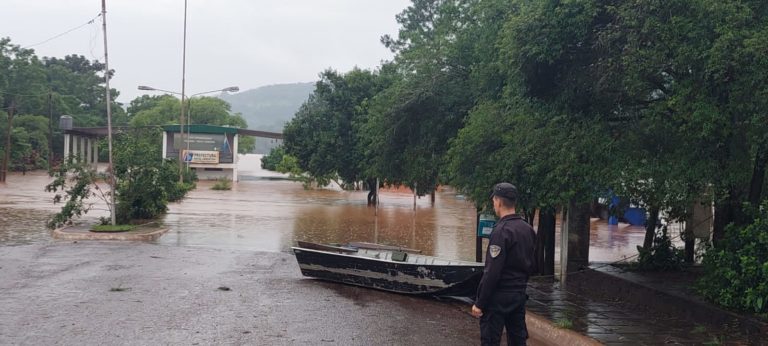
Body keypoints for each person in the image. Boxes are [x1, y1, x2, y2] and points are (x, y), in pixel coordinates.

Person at [471, 182, 536, 345]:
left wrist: (480, 303)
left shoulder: (501, 231)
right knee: (518, 340)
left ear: (498, 202)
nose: (494, 204)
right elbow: (531, 265)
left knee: (490, 340)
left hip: (498, 298)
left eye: (494, 201)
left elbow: (492, 272)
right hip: (518, 295)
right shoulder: (527, 229)